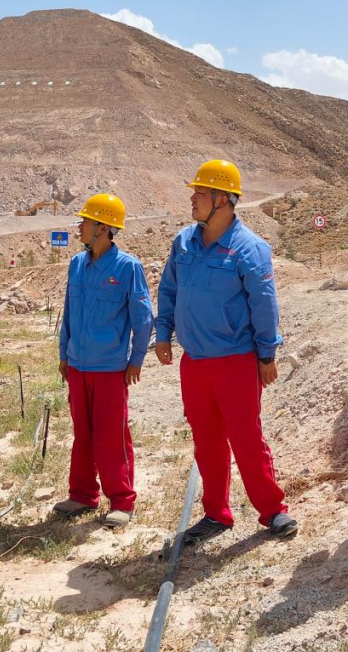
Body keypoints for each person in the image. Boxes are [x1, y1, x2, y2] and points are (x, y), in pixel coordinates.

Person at [154, 160, 297, 547]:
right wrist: (163, 332)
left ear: (222, 200)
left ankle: (273, 510)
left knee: (246, 438)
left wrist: (266, 356)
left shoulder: (249, 248)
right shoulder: (184, 242)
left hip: (235, 361)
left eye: (199, 193)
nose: (192, 199)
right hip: (195, 363)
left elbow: (264, 305)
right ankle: (216, 513)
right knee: (207, 441)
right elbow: (169, 289)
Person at [56, 193, 153, 527]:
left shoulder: (128, 267)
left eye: (84, 221)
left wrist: (136, 359)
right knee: (83, 433)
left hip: (110, 368)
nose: (79, 227)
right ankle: (82, 495)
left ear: (102, 227)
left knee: (111, 436)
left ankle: (122, 500)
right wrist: (64, 353)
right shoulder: (76, 265)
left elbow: (143, 319)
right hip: (78, 365)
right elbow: (69, 313)